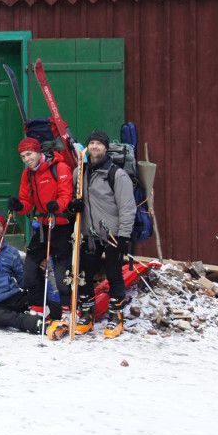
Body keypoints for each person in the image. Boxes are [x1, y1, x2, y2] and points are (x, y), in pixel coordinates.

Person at [70, 131, 137, 339]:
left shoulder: (117, 174)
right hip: (89, 234)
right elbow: (74, 199)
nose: (95, 147)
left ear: (106, 148)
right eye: (92, 143)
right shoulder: (79, 173)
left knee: (114, 275)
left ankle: (116, 318)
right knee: (84, 276)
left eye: (99, 144)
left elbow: (127, 208)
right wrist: (75, 206)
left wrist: (125, 236)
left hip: (112, 234)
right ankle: (87, 315)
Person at [0, 209, 68, 339]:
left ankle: (64, 316)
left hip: (14, 297)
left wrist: (37, 270)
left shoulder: (11, 253)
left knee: (41, 298)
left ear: (4, 228)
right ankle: (42, 325)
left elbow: (24, 281)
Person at [8, 137, 74, 324]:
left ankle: (67, 308)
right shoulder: (28, 174)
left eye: (29, 154)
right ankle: (37, 307)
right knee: (29, 269)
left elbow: (65, 194)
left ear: (38, 152)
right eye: (23, 156)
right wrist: (18, 206)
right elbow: (27, 202)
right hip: (44, 225)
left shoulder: (59, 168)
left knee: (62, 274)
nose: (27, 159)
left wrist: (57, 205)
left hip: (61, 224)